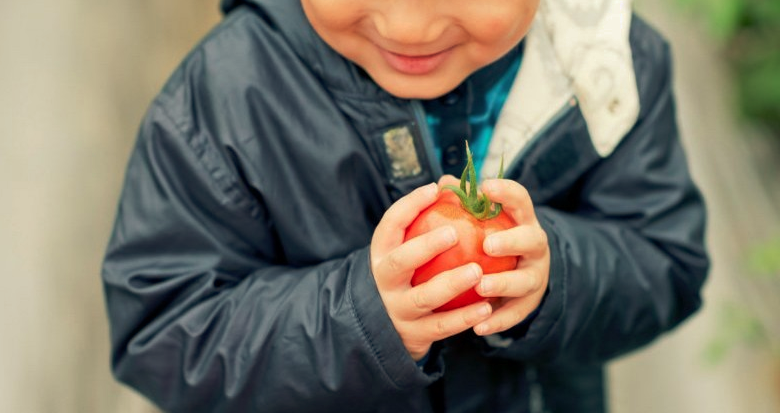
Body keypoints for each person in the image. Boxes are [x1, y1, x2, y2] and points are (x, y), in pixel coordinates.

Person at [101, 0, 709, 411]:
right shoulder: (227, 96)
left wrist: (553, 280)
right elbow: (162, 331)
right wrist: (359, 320)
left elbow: (667, 259)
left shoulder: (605, 68)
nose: (408, 26)